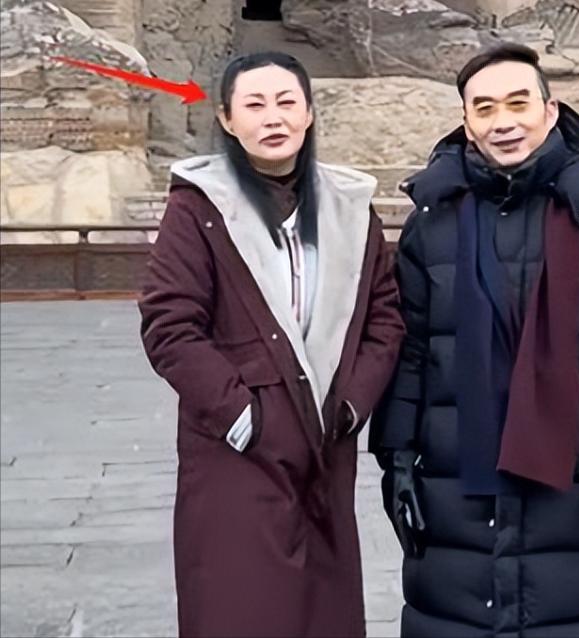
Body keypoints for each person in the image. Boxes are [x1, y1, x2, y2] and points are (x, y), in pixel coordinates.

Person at [370, 44, 579, 638]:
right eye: (484, 108)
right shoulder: (432, 220)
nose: (503, 122)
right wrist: (398, 459)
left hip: (577, 478)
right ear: (467, 122)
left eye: (518, 104)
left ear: (549, 110)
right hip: (455, 479)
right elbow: (412, 349)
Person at [138, 51, 405, 637]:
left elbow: (384, 317)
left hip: (325, 438)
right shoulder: (200, 206)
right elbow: (169, 322)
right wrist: (243, 417)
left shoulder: (348, 209)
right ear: (228, 119)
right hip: (235, 447)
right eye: (254, 105)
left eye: (286, 102)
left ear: (308, 113)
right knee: (242, 608)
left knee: (323, 611)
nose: (273, 117)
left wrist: (351, 405)